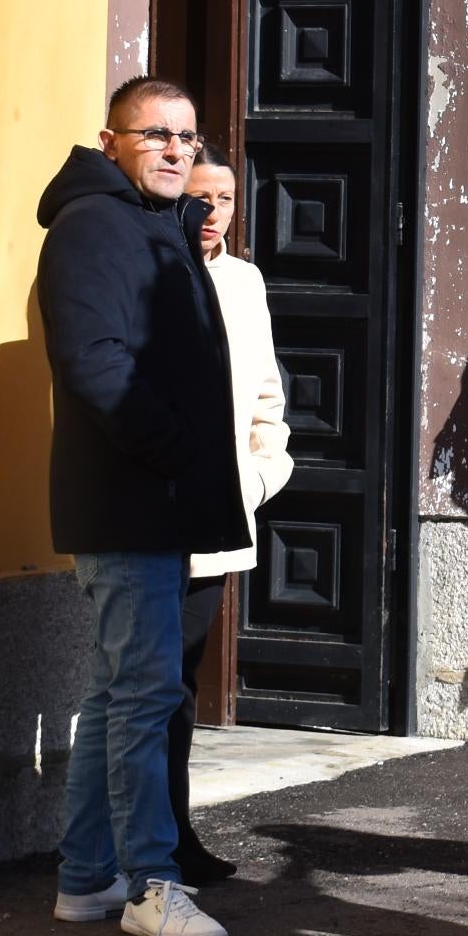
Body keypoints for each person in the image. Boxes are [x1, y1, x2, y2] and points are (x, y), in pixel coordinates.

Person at [36, 76, 245, 936]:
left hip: (154, 499)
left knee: (122, 690)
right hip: (129, 501)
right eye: (154, 134)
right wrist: (169, 447)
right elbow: (93, 361)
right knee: (148, 694)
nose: (173, 149)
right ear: (110, 140)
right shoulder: (93, 228)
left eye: (187, 138)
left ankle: (87, 879)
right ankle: (152, 883)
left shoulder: (156, 228)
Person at [164, 147, 293, 888]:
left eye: (226, 199)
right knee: (151, 688)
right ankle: (152, 837)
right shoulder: (153, 270)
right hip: (153, 521)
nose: (213, 213)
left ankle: (175, 834)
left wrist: (260, 477)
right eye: (201, 197)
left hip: (218, 522)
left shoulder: (243, 281)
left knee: (180, 682)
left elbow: (268, 398)